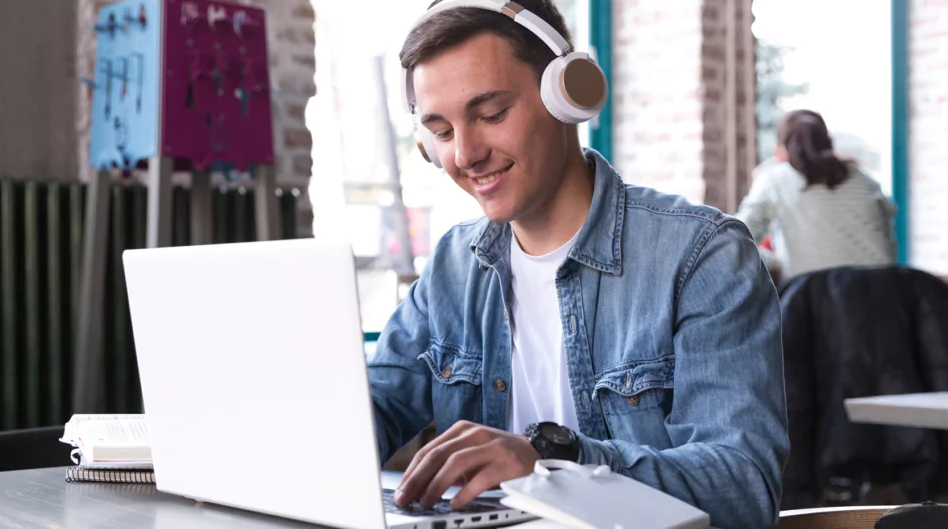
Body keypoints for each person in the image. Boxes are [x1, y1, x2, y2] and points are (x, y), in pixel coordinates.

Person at [368, 1, 789, 527]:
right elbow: (371, 412)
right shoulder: (453, 266)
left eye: (492, 114)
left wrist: (555, 461)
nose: (466, 154)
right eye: (443, 132)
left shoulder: (703, 256)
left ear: (567, 94)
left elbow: (742, 488)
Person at [736, 109, 898, 281]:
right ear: (830, 144)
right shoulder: (864, 180)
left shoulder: (776, 179)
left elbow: (735, 243)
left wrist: (773, 262)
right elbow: (888, 233)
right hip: (883, 294)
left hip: (815, 298)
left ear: (781, 150)